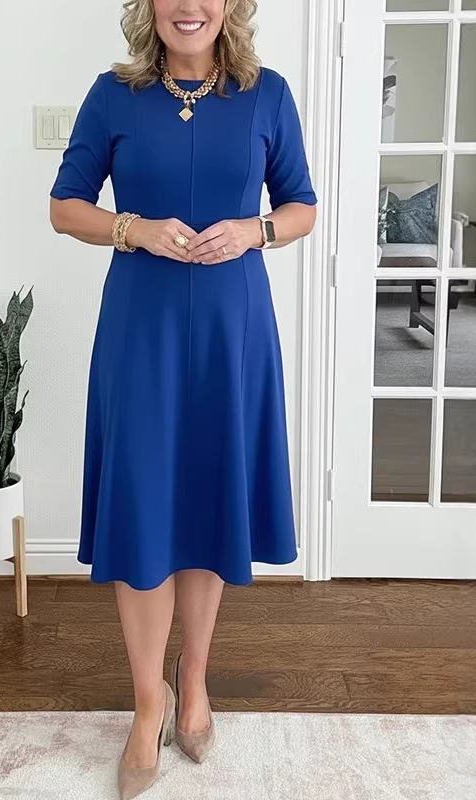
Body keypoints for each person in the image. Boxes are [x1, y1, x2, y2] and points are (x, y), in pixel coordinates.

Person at [49, 1, 317, 796]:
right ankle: (147, 703)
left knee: (208, 502)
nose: (189, 6)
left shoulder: (268, 93)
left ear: (230, 5)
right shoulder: (114, 95)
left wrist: (254, 231)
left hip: (235, 330)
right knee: (144, 507)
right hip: (143, 330)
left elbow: (301, 204)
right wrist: (130, 227)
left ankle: (193, 680)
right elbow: (64, 206)